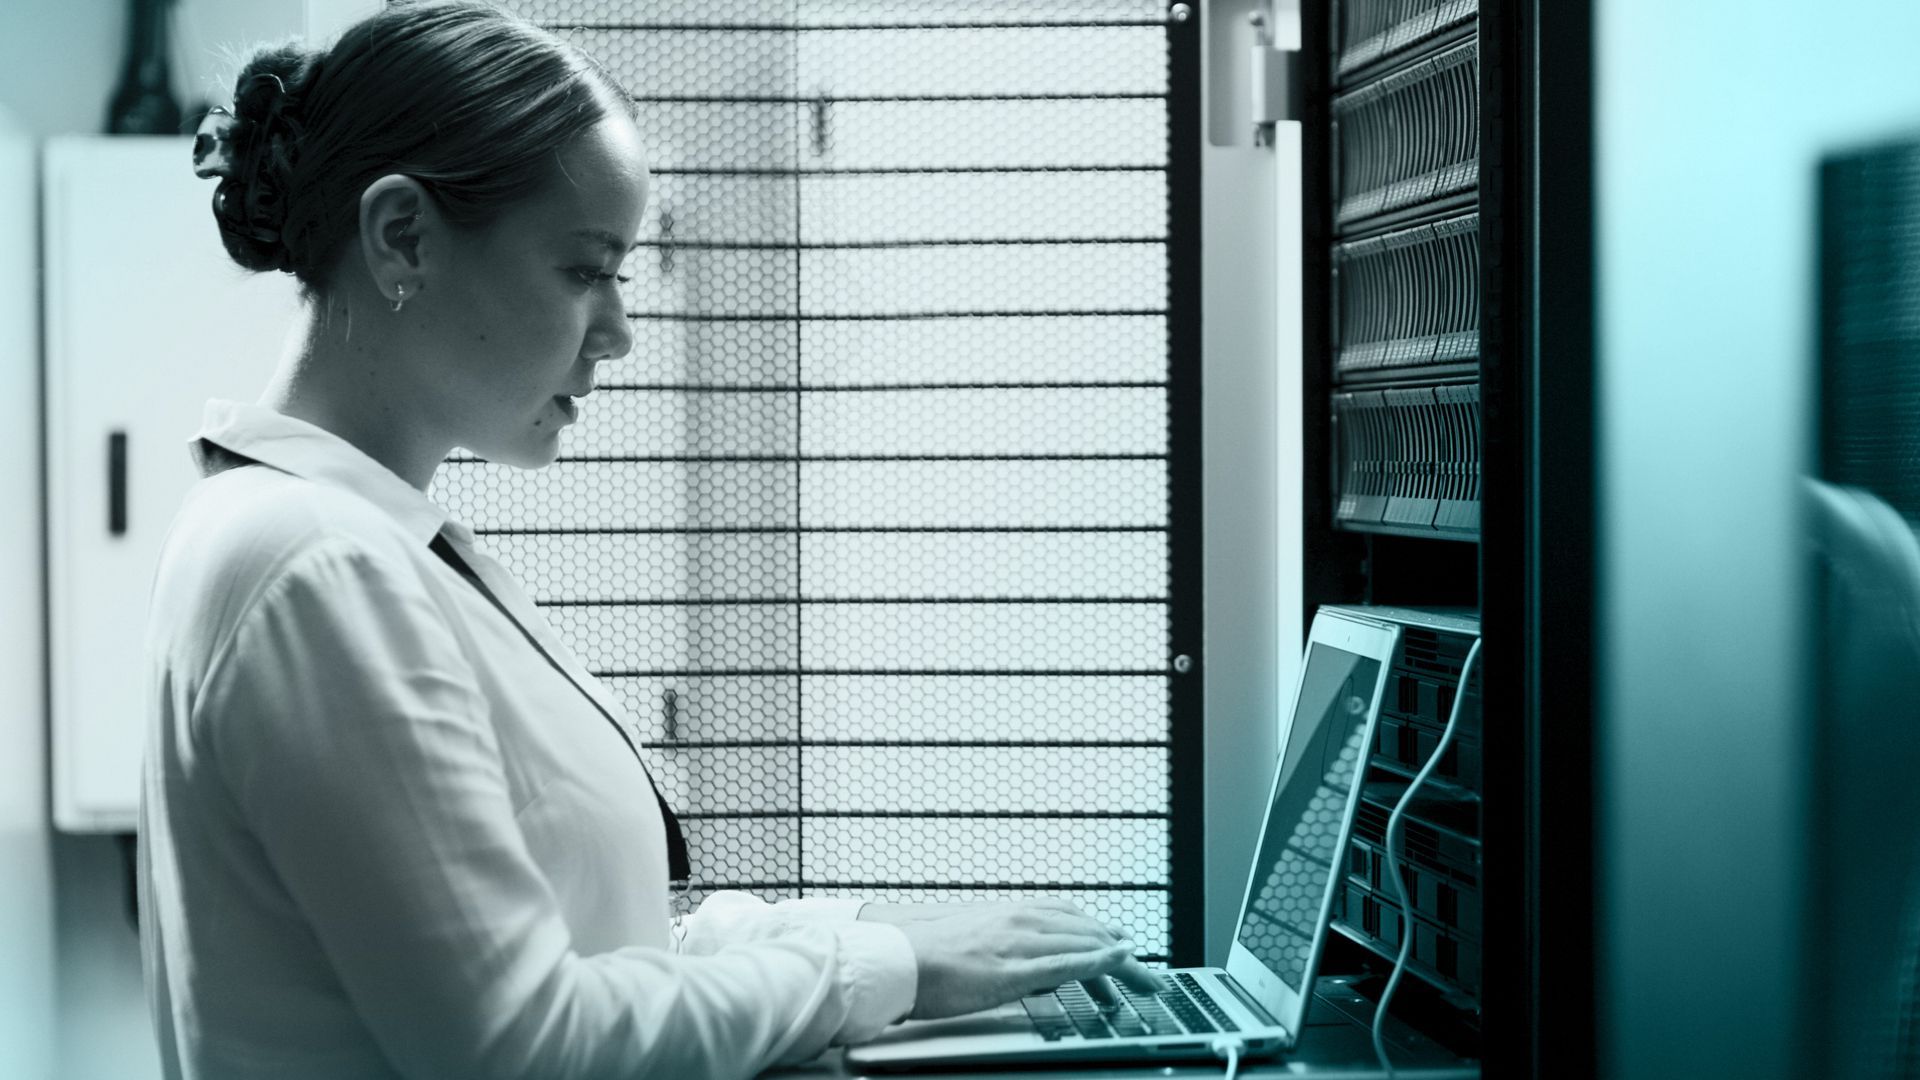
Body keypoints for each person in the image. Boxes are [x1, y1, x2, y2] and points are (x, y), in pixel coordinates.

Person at [137, 4, 1155, 1078]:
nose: (620, 331)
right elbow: (523, 1044)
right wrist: (882, 966)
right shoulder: (316, 565)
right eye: (585, 269)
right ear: (402, 236)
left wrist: (890, 938)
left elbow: (594, 945)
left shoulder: (352, 535)